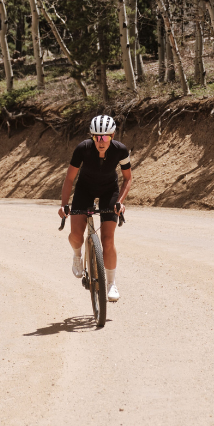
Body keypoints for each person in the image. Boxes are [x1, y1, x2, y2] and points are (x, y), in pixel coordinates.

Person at [56, 114, 132, 302]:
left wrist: (120, 202)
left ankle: (111, 284)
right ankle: (77, 255)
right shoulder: (83, 149)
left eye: (105, 137)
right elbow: (69, 179)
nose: (101, 141)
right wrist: (64, 205)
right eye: (97, 137)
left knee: (108, 239)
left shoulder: (120, 150)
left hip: (109, 191)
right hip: (85, 190)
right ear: (92, 137)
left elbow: (128, 178)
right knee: (76, 235)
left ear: (112, 136)